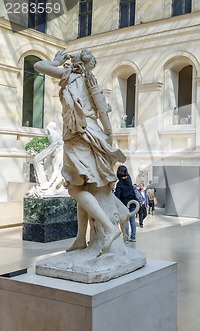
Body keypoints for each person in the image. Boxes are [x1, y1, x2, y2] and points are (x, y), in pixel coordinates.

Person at [34, 50, 126, 256]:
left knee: (74, 189)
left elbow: (38, 66)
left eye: (70, 62)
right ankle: (79, 238)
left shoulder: (71, 76)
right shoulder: (91, 83)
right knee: (82, 185)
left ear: (76, 64)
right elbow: (106, 119)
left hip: (78, 136)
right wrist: (106, 140)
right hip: (92, 134)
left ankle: (110, 229)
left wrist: (56, 61)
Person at [114, 165, 137, 242]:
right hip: (132, 202)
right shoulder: (129, 180)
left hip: (124, 204)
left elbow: (117, 196)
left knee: (125, 221)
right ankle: (133, 237)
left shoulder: (119, 183)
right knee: (132, 220)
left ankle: (126, 237)